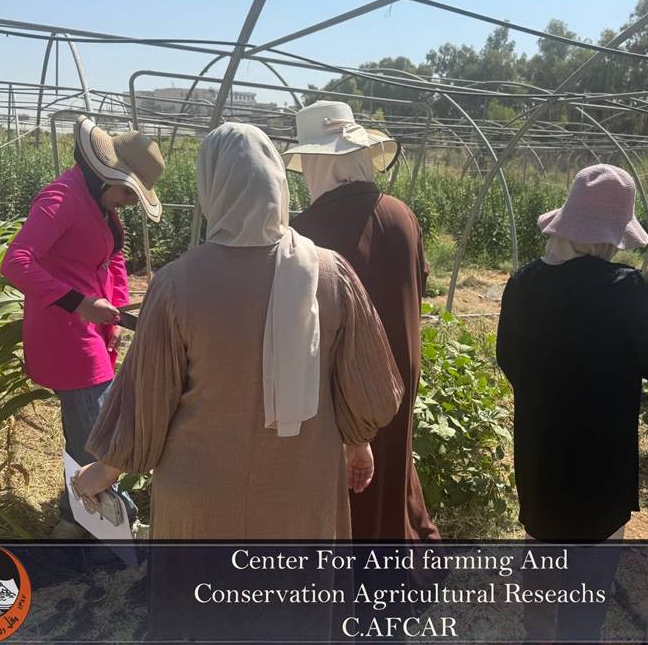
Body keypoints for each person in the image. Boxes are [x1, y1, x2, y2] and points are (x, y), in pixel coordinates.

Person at [73, 122, 403, 540]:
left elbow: (147, 398)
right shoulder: (331, 273)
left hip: (202, 500)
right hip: (302, 492)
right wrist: (358, 443)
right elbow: (364, 381)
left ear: (210, 186)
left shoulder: (178, 284)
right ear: (278, 182)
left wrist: (103, 472)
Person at [496, 164, 648, 643]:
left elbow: (507, 357)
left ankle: (538, 631)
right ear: (609, 237)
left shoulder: (524, 281)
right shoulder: (625, 288)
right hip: (601, 451)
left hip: (540, 442)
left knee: (542, 534)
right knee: (594, 552)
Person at [1, 115, 165, 538]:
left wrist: (117, 302)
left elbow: (112, 255)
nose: (129, 201)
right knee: (98, 436)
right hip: (67, 334)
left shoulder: (99, 203)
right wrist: (78, 303)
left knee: (87, 429)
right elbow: (15, 262)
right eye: (128, 192)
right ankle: (114, 527)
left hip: (93, 329)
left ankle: (73, 520)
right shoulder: (62, 198)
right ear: (107, 174)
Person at [288, 100, 440, 541]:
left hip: (342, 377)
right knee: (392, 464)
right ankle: (396, 553)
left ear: (316, 162)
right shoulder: (401, 214)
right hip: (401, 364)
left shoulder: (303, 232)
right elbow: (417, 286)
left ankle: (356, 566)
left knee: (350, 480)